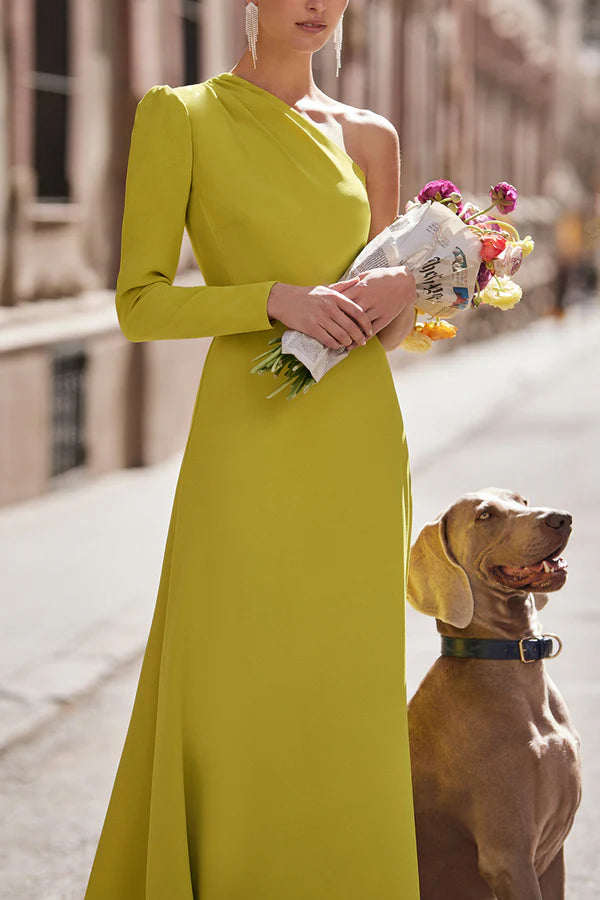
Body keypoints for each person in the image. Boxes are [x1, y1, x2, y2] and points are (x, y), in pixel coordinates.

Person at [83, 1, 420, 897]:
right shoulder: (181, 114)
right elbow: (139, 303)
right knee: (234, 684)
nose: (315, 4)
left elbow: (384, 333)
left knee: (344, 688)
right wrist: (270, 297)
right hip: (248, 442)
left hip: (356, 441)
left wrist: (409, 288)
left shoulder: (371, 137)